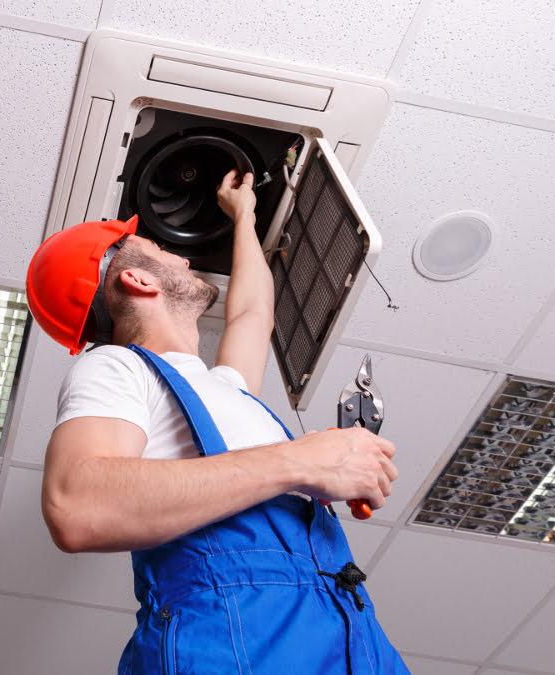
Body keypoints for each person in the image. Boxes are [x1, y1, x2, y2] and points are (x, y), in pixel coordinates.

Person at [24, 169, 409, 674]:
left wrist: (245, 216)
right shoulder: (116, 366)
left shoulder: (224, 387)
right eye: (159, 250)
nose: (181, 255)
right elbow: (76, 506)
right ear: (136, 279)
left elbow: (252, 313)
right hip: (237, 633)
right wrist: (301, 460)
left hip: (343, 625)